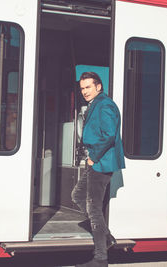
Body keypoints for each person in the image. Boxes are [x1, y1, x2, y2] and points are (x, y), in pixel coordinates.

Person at [72, 72, 125, 267]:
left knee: (93, 208)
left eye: (88, 87)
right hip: (97, 161)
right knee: (78, 196)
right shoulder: (96, 104)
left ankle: (101, 258)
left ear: (98, 87)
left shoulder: (105, 105)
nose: (84, 91)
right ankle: (107, 237)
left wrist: (93, 157)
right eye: (82, 88)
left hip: (102, 162)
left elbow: (109, 134)